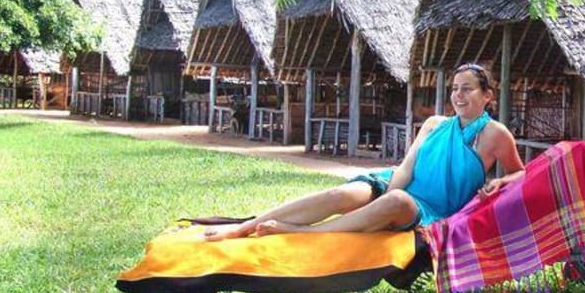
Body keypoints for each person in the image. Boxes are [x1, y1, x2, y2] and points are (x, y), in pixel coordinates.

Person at [204, 63, 525, 240]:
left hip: (430, 210)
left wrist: (501, 183)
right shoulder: (434, 124)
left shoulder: (495, 135)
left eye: (467, 89)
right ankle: (243, 227)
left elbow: (520, 172)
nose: (458, 95)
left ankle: (304, 233)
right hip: (397, 187)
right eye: (455, 88)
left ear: (487, 96)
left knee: (398, 201)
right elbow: (405, 168)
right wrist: (383, 194)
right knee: (342, 195)